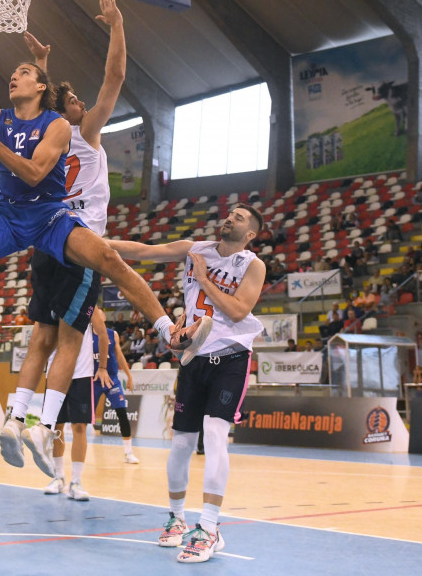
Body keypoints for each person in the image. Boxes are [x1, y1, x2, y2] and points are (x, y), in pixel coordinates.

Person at [0, 0, 212, 481]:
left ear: (39, 87)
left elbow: (41, 172)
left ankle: (170, 334)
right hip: (10, 217)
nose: (11, 75)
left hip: (51, 217)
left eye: (23, 72)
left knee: (105, 268)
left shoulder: (63, 126)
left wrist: (113, 27)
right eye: (14, 72)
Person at [0, 0, 212, 477]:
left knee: (42, 338)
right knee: (73, 335)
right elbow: (114, 79)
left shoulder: (41, 132)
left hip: (45, 241)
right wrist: (117, 25)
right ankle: (164, 332)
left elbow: (42, 102)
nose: (82, 104)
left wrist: (43, 65)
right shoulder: (81, 131)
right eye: (74, 101)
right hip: (78, 244)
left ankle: (16, 418)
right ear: (69, 109)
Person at [108, 202, 266, 563]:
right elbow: (144, 251)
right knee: (180, 443)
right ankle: (177, 519)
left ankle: (209, 527)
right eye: (229, 214)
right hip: (193, 357)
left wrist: (205, 279)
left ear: (251, 234)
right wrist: (94, 242)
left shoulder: (252, 265)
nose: (229, 218)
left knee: (213, 435)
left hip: (231, 358)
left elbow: (239, 311)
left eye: (239, 218)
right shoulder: (196, 249)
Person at [43, 315, 106, 500]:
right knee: (57, 428)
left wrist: (102, 367)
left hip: (82, 374)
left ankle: (76, 482)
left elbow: (102, 334)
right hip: (56, 374)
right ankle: (58, 477)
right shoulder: (51, 300)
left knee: (80, 427)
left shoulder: (88, 300)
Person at [91, 307, 138, 464]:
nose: (97, 314)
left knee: (121, 412)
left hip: (111, 380)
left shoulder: (113, 334)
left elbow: (119, 356)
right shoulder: (86, 336)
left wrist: (129, 376)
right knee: (84, 417)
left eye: (99, 311)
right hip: (94, 380)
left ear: (103, 316)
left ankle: (128, 452)